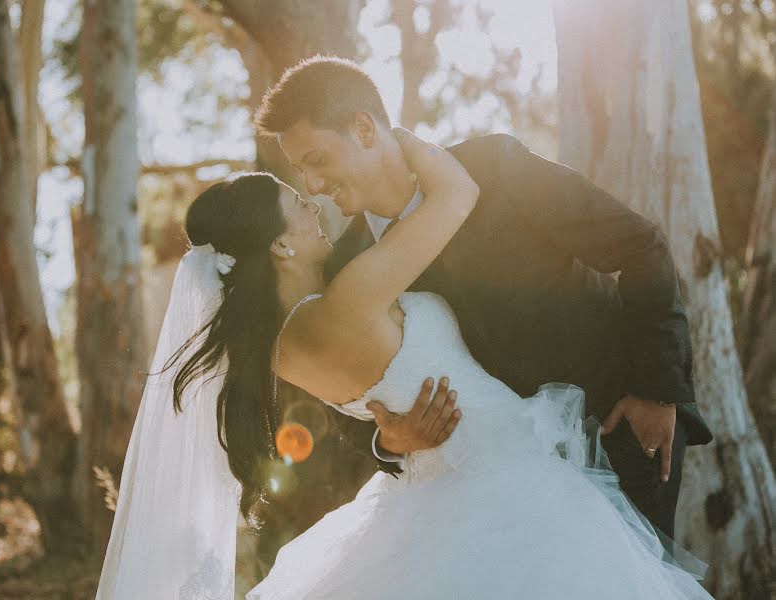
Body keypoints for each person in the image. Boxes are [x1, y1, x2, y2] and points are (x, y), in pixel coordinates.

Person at [96, 126, 713, 599]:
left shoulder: (283, 341)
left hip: (447, 490)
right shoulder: (348, 299)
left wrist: (389, 439)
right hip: (516, 485)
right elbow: (456, 194)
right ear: (280, 245)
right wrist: (392, 135)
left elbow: (371, 409)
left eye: (312, 169)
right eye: (299, 203)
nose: (314, 201)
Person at [253, 56, 713, 541]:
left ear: (365, 130)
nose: (312, 186)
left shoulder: (495, 167)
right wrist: (386, 441)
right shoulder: (347, 264)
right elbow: (351, 393)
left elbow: (641, 246)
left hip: (618, 422)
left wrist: (658, 391)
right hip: (496, 487)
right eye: (302, 171)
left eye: (317, 160)